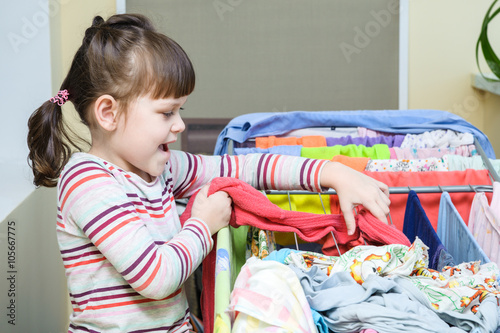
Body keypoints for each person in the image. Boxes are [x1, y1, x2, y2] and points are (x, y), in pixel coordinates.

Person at [27, 13, 390, 333]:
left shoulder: (161, 168)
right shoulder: (88, 181)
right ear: (109, 114)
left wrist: (330, 172)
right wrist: (203, 224)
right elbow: (155, 277)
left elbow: (245, 167)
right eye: (167, 113)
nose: (180, 125)